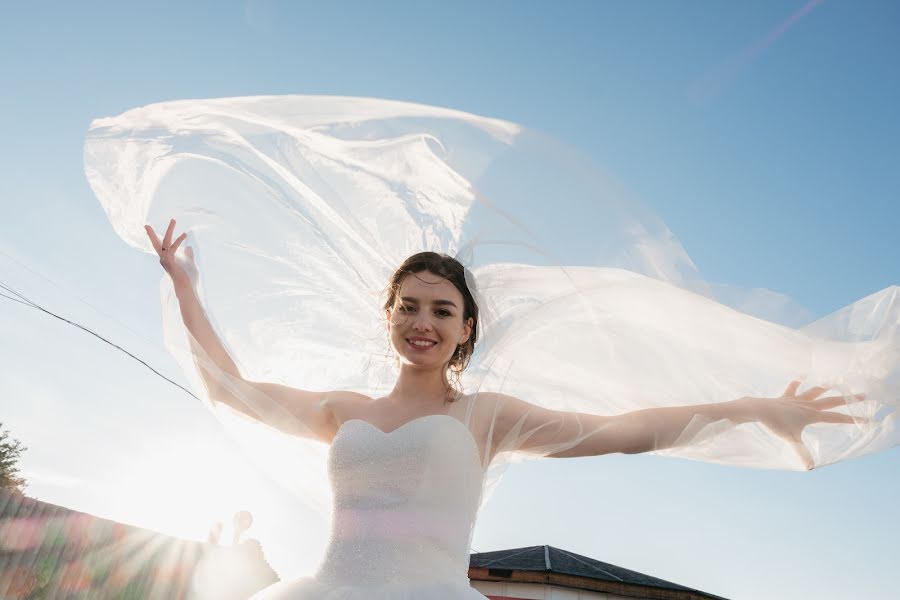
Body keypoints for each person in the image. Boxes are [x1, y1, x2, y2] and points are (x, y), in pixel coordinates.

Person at [144, 217, 868, 600]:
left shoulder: (484, 417)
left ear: (465, 330)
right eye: (408, 307)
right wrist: (186, 289)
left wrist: (750, 407)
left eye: (441, 310)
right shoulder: (343, 410)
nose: (421, 322)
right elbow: (230, 388)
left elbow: (625, 432)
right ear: (388, 317)